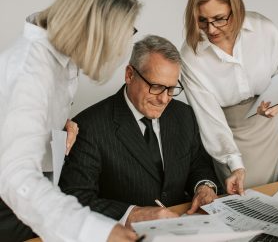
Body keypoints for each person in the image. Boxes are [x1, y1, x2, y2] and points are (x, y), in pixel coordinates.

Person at [0, 0, 141, 242]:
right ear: (91, 32)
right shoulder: (29, 72)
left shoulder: (60, 57)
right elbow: (16, 178)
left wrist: (55, 128)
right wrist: (100, 232)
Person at [59, 35, 219, 227]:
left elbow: (198, 163)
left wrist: (204, 186)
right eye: (157, 87)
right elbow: (76, 198)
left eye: (171, 89)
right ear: (129, 75)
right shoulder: (89, 127)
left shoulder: (184, 115)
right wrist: (131, 214)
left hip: (183, 228)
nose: (164, 99)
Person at [180, 0, 278, 195]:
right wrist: (235, 163)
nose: (211, 29)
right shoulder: (190, 56)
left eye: (219, 19)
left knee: (269, 192)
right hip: (227, 132)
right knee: (240, 196)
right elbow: (210, 120)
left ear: (235, 8)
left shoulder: (264, 29)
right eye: (202, 21)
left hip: (269, 128)